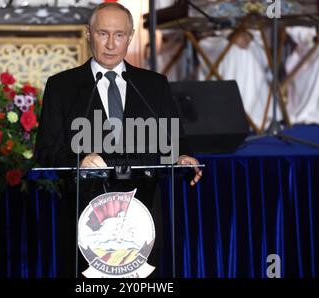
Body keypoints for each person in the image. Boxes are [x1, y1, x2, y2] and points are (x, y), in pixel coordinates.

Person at [35, 2, 201, 277]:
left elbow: (174, 142)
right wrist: (80, 159)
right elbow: (45, 151)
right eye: (103, 34)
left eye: (119, 35)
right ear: (88, 33)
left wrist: (182, 157)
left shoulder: (154, 84)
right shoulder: (61, 86)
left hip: (143, 216)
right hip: (87, 220)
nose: (111, 44)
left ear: (131, 36)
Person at [197, 29, 272, 130]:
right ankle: (230, 117)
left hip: (250, 37)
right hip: (215, 39)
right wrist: (229, 34)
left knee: (248, 51)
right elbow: (201, 28)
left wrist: (247, 34)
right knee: (235, 51)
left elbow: (258, 25)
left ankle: (254, 116)